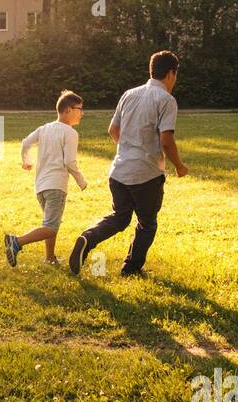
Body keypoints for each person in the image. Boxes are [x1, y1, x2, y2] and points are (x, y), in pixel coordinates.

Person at [68, 51, 187, 277]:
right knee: (147, 223)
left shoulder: (129, 94)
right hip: (146, 174)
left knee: (120, 217)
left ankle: (88, 238)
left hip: (119, 171)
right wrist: (179, 166)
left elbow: (113, 130)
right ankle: (131, 269)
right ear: (171, 74)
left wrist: (129, 148)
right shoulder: (166, 100)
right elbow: (166, 140)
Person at [5, 90, 88, 267]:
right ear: (67, 110)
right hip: (56, 185)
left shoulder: (44, 128)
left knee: (50, 224)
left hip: (40, 186)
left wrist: (26, 161)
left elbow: (25, 143)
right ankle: (16, 242)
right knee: (50, 226)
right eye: (79, 109)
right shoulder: (71, 133)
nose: (82, 113)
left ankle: (50, 258)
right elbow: (69, 161)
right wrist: (81, 180)